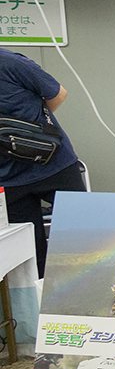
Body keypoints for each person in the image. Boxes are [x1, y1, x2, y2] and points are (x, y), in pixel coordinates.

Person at [0, 47, 87, 277]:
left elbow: (57, 93)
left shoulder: (9, 62)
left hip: (54, 163)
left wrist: (36, 132)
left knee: (81, 236)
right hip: (8, 180)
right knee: (26, 256)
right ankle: (35, 308)